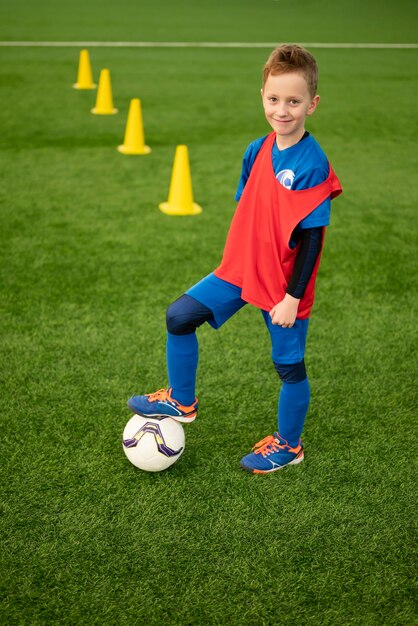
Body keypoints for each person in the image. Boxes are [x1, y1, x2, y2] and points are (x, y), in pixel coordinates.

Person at [128, 44, 342, 474]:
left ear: (312, 104)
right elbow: (251, 207)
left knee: (289, 367)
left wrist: (292, 297)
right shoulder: (257, 149)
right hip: (241, 270)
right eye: (274, 99)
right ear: (262, 95)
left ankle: (289, 444)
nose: (283, 110)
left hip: (281, 287)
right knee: (180, 316)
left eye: (294, 101)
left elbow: (314, 240)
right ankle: (181, 400)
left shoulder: (312, 164)